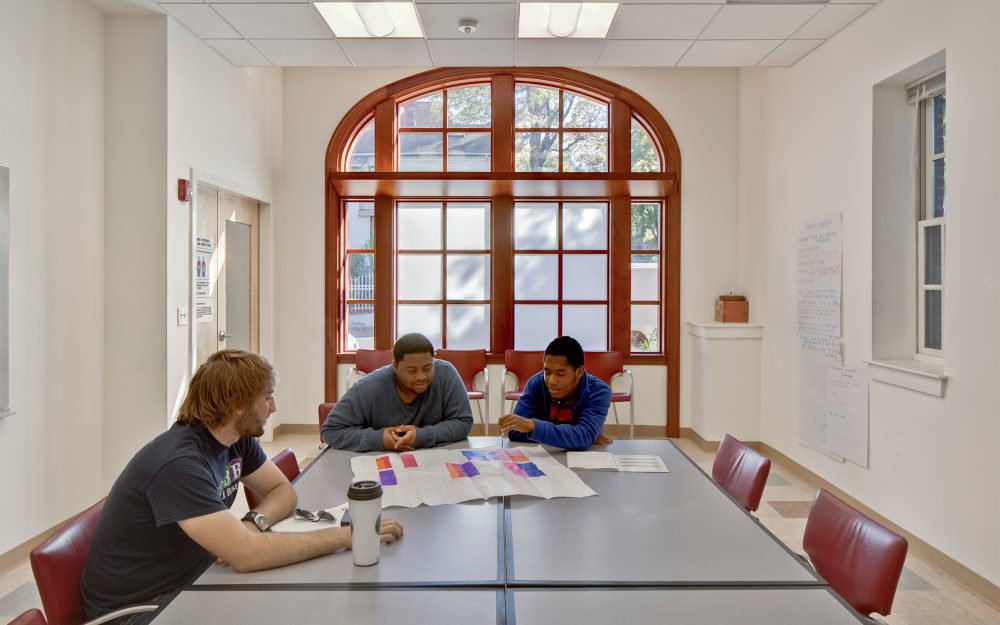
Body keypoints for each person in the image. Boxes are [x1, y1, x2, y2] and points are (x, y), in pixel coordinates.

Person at [80, 349, 403, 624]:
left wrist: (253, 523)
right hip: (143, 611)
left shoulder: (234, 439)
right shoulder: (178, 464)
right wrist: (348, 535)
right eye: (267, 398)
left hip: (196, 580)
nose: (273, 408)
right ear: (237, 404)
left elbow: (283, 491)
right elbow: (246, 556)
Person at [322, 333, 473, 452]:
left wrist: (421, 436)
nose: (421, 376)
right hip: (380, 467)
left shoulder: (446, 374)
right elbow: (330, 431)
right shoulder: (370, 386)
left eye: (427, 368)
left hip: (434, 464)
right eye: (412, 370)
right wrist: (378, 439)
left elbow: (463, 422)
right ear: (395, 366)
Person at [498, 336, 612, 451]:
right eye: (547, 372)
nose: (551, 381)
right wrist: (575, 435)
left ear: (579, 372)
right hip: (544, 459)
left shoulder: (599, 391)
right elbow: (514, 431)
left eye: (560, 374)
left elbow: (583, 438)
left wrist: (532, 426)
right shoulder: (535, 384)